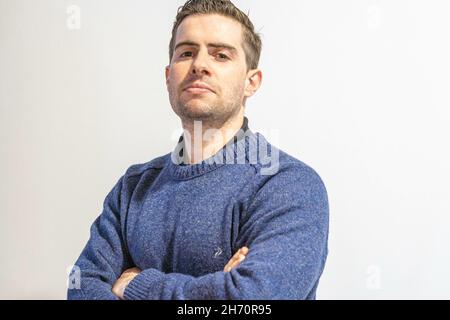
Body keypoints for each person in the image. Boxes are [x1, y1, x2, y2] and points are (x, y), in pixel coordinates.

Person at [67, 0, 329, 300]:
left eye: (220, 55)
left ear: (251, 82)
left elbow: (250, 300)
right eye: (187, 53)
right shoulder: (133, 188)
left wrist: (133, 286)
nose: (199, 65)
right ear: (169, 76)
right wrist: (214, 288)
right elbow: (81, 286)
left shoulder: (288, 184)